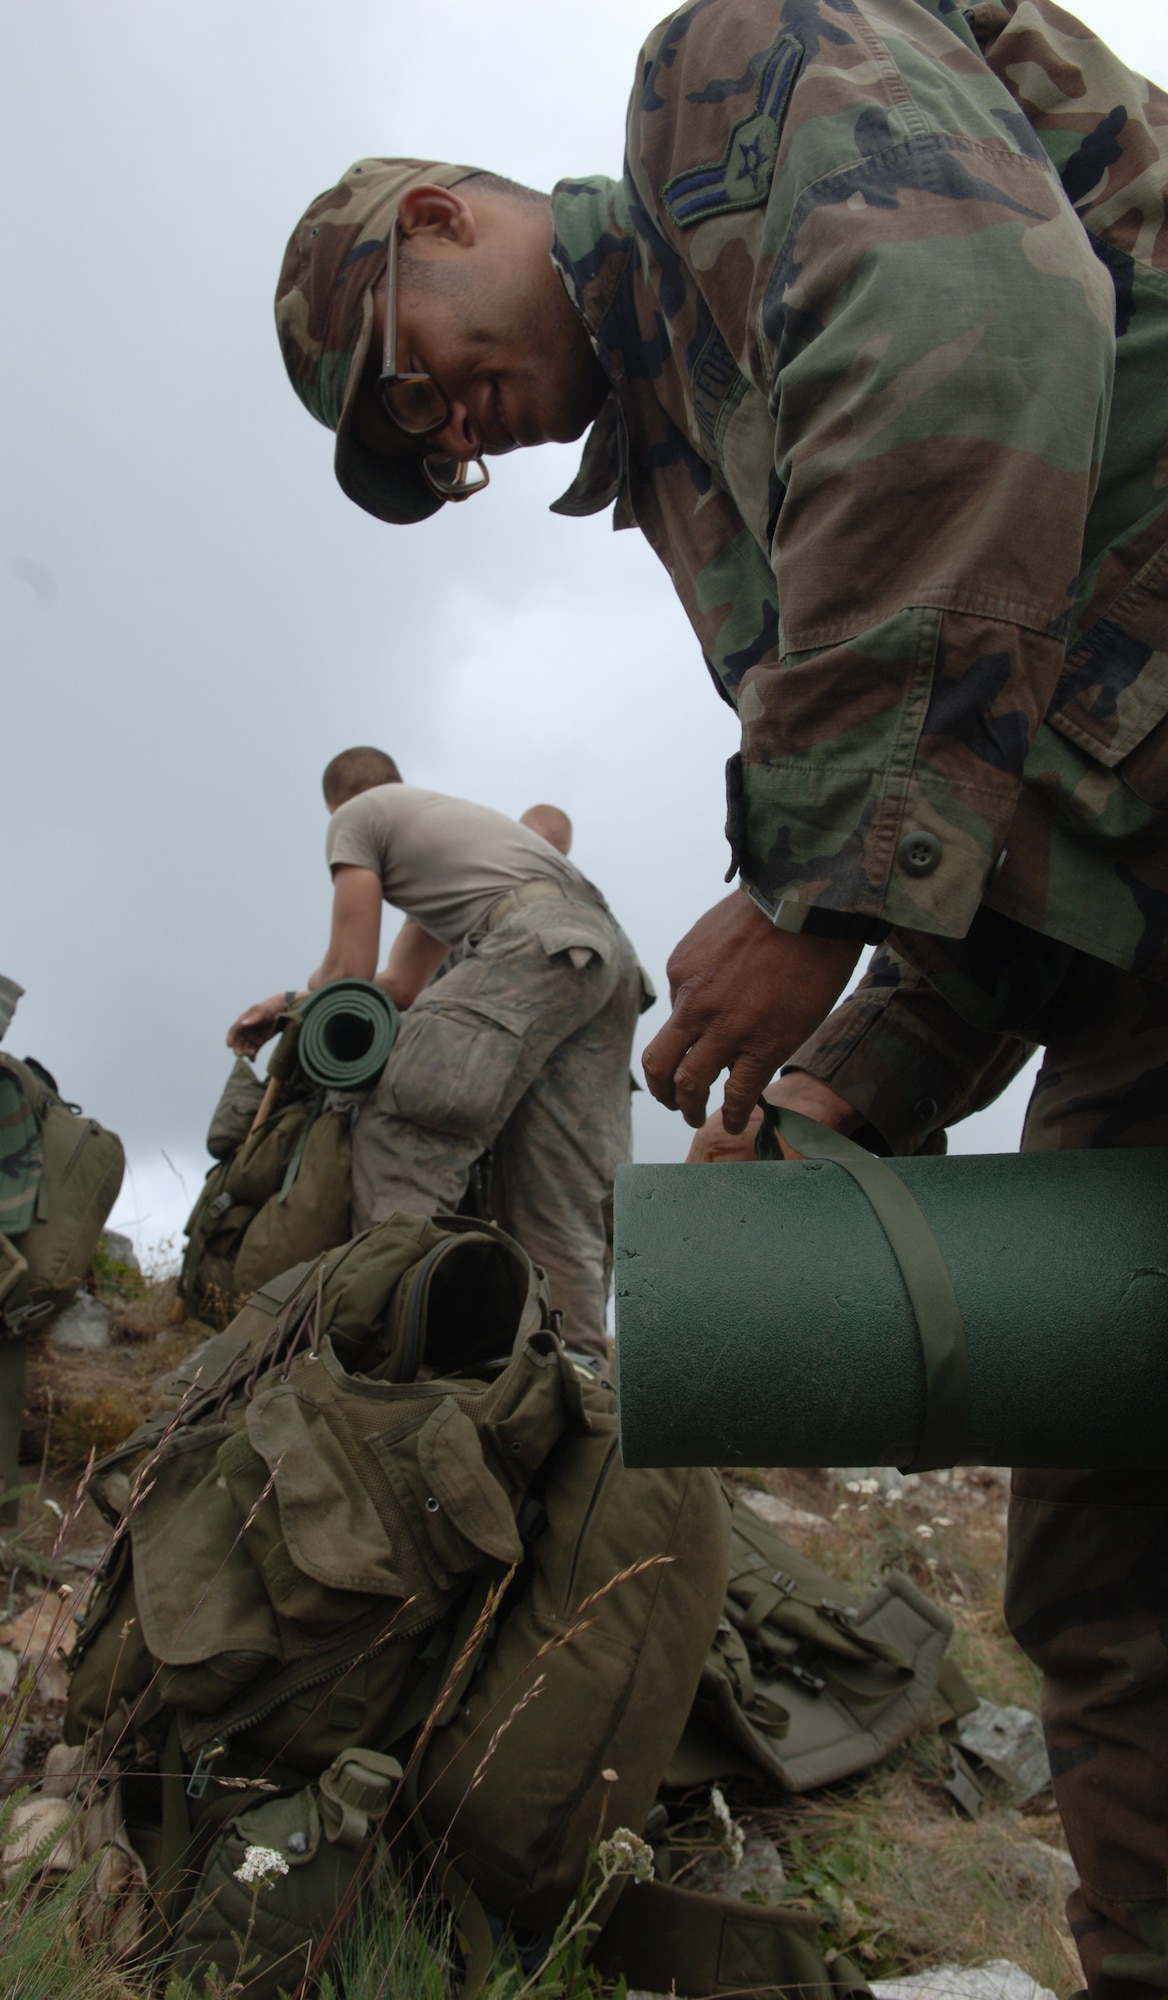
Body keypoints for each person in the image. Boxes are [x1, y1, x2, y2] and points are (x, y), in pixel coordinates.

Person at [271, 8, 1168, 1992]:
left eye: (404, 386)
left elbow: (983, 347)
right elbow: (1020, 795)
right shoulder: (694, 471)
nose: (448, 437)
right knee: (1107, 1585)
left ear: (436, 222)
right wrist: (858, 1081)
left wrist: (806, 881)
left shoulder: (730, 80)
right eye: (414, 455)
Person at [227, 748, 648, 1363]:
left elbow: (350, 970)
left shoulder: (358, 817)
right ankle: (573, 1379)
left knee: (407, 1125)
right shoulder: (462, 851)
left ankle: (386, 1359)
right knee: (554, 1187)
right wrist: (293, 998)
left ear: (333, 805)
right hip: (607, 962)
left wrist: (285, 1007)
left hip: (531, 940)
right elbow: (398, 987)